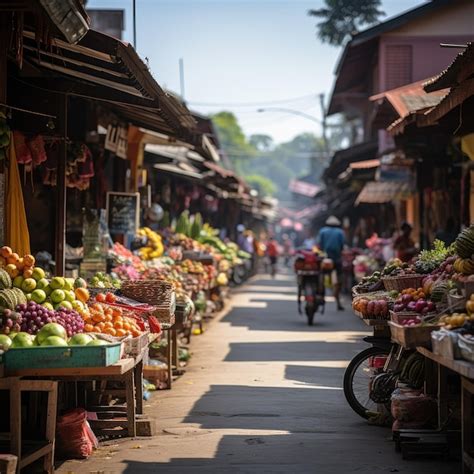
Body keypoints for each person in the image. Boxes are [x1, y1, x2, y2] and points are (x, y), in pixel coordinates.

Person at [318, 215, 345, 310]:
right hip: (337, 259)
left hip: (325, 259)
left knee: (321, 276)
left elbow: (320, 245)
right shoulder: (340, 232)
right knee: (339, 279)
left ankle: (321, 295)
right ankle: (337, 300)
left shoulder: (323, 231)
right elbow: (342, 246)